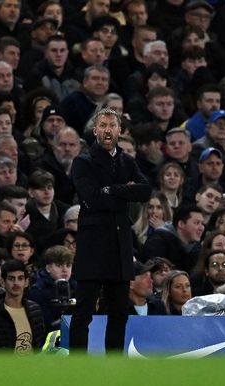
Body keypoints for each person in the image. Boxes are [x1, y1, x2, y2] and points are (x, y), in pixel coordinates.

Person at [69, 108, 151, 353]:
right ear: (95, 131)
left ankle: (113, 369)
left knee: (119, 314)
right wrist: (124, 191)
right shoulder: (83, 162)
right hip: (93, 247)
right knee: (83, 313)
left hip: (119, 245)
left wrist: (111, 190)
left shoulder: (127, 161)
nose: (107, 130)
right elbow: (92, 198)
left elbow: (145, 190)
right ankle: (77, 370)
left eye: (112, 125)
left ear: (120, 131)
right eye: (102, 125)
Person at [0, 260, 46, 352]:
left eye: (20, 278)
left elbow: (40, 346)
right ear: (3, 282)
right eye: (11, 278)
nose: (16, 283)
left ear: (26, 282)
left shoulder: (35, 310)